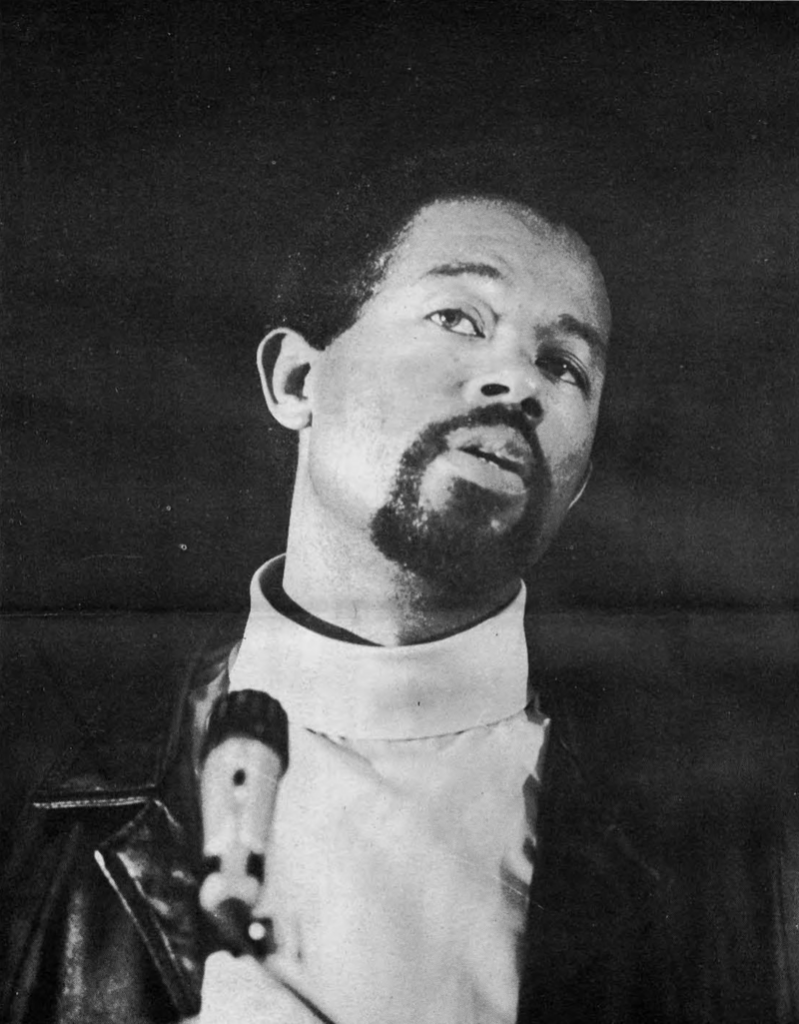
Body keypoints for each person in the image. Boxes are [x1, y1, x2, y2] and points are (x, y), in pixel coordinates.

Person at [1, 151, 677, 1023]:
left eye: (564, 365)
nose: (517, 381)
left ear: (578, 482)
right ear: (296, 381)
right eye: (457, 317)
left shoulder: (713, 833)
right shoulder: (39, 790)